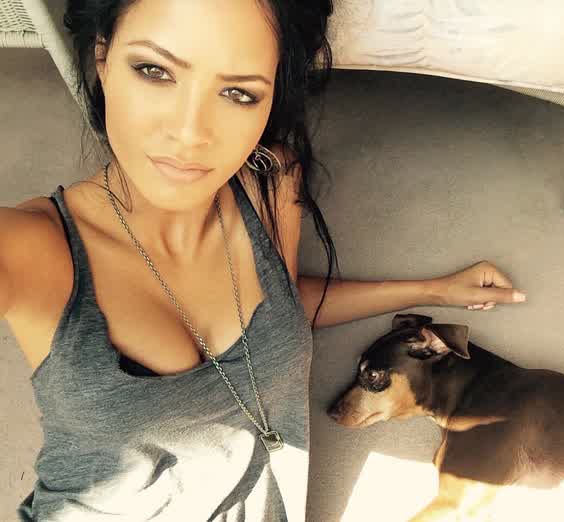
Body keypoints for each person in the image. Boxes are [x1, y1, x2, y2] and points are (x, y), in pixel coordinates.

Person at [0, 0, 526, 520]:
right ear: (102, 59)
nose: (189, 133)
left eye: (238, 92)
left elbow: (282, 304)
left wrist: (434, 290)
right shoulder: (30, 246)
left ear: (273, 95)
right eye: (154, 70)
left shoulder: (270, 182)